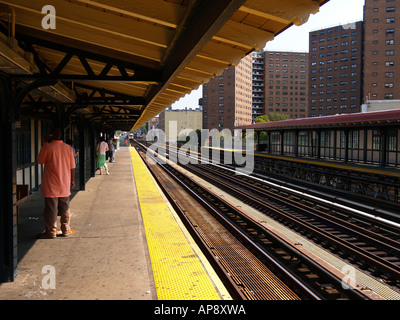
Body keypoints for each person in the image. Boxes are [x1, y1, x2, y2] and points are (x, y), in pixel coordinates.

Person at [37, 127, 76, 239]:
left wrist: (44, 144)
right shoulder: (68, 148)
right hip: (64, 182)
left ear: (51, 135)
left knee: (51, 208)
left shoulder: (47, 147)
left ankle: (51, 231)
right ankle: (66, 229)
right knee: (65, 207)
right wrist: (72, 180)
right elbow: (72, 167)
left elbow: (40, 160)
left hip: (51, 184)